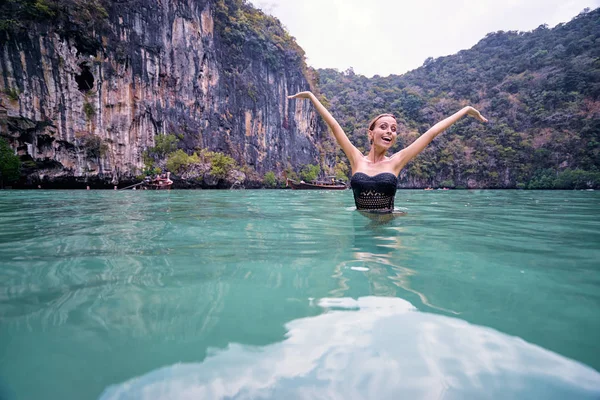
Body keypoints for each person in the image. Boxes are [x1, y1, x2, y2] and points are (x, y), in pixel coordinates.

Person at [288, 91, 487, 213]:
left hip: (389, 226)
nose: (389, 132)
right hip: (361, 223)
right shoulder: (356, 159)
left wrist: (465, 110)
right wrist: (311, 97)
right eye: (383, 127)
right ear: (371, 133)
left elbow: (432, 133)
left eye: (393, 129)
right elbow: (334, 125)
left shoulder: (396, 162)